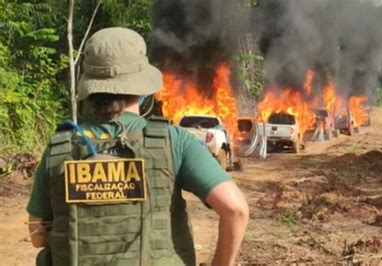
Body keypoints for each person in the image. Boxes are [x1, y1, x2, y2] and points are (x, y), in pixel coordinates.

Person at [26, 27, 249, 266]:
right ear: (143, 89)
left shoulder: (60, 146)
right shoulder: (173, 140)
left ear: (90, 88)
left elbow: (38, 235)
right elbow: (235, 211)